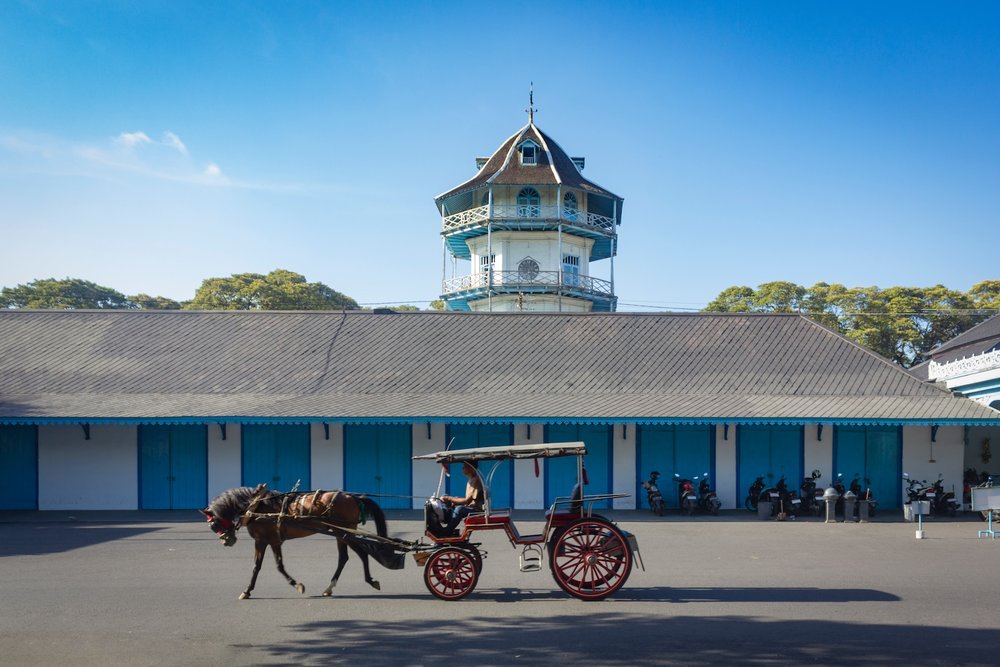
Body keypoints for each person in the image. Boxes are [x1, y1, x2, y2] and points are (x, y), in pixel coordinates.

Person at [442, 460, 484, 533]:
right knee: (452, 505)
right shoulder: (471, 480)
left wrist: (449, 498)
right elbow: (468, 500)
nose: (462, 469)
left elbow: (467, 501)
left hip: (477, 510)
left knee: (459, 509)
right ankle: (449, 529)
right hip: (472, 507)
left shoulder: (476, 480)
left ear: (471, 468)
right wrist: (454, 500)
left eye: (464, 467)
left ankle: (447, 531)